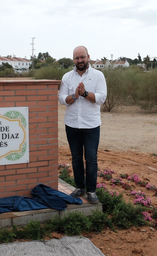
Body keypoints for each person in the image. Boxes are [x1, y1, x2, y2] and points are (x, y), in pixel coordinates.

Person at [58, 46, 107, 204]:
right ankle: (80, 187)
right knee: (76, 158)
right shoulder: (67, 77)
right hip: (72, 124)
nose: (80, 60)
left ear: (88, 57)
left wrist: (85, 94)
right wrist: (75, 95)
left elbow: (101, 98)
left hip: (91, 125)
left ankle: (91, 191)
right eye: (77, 58)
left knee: (91, 158)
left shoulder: (98, 76)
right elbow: (62, 99)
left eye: (82, 57)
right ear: (73, 60)